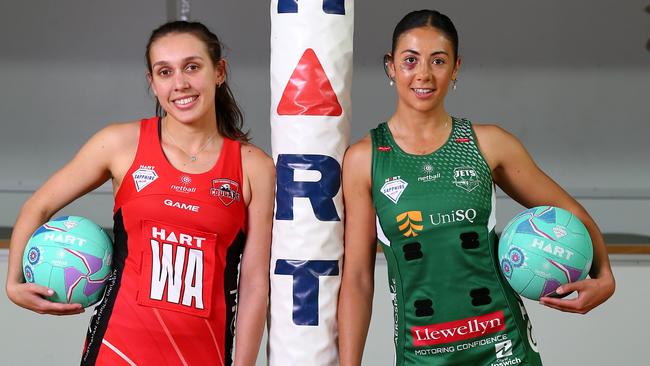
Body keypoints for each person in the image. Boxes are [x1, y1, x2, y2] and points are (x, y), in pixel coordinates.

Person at [338, 9, 615, 366]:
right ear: (391, 67)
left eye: (438, 61)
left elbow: (569, 212)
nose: (423, 74)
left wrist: (604, 276)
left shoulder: (489, 143)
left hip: (503, 347)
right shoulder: (365, 159)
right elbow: (358, 278)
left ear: (455, 68)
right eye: (410, 60)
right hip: (422, 351)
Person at [5, 21, 274, 366]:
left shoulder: (254, 168)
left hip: (204, 356)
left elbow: (254, 284)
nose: (180, 84)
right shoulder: (120, 144)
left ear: (219, 71)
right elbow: (37, 206)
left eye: (192, 67)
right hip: (117, 351)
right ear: (153, 81)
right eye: (165, 72)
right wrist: (13, 284)